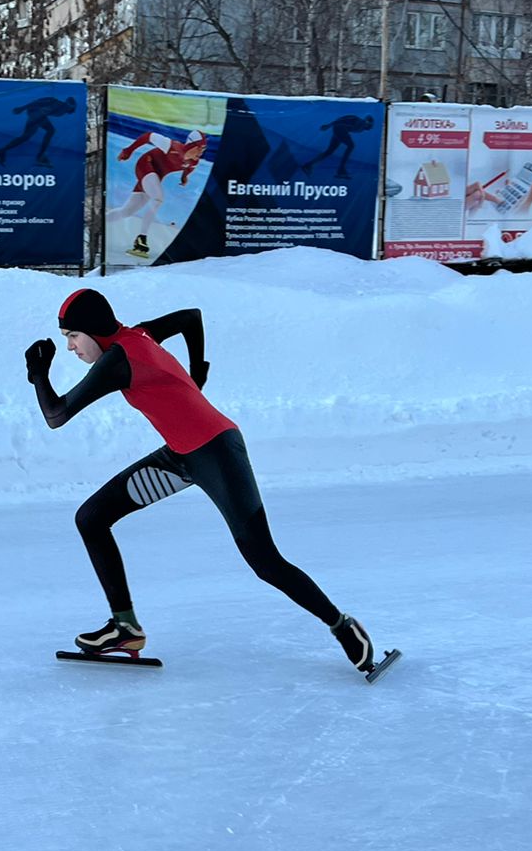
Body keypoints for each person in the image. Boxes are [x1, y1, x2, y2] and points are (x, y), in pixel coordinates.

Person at [24, 288, 380, 674]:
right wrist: (198, 371)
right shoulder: (140, 334)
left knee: (265, 561)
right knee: (91, 517)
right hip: (180, 457)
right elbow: (191, 317)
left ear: (94, 330)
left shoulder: (118, 359)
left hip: (217, 455)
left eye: (73, 336)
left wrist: (38, 374)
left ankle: (343, 626)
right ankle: (125, 627)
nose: (71, 347)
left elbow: (57, 415)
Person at [106, 128, 207, 260]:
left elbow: (188, 169)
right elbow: (148, 136)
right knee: (158, 198)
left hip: (156, 176)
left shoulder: (194, 162)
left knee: (127, 211)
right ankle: (141, 239)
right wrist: (128, 151)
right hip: (145, 164)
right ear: (191, 145)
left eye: (203, 149)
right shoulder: (172, 146)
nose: (201, 152)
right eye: (199, 148)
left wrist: (184, 177)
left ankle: (99, 223)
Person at [0, 95, 77, 167]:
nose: (66, 110)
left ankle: (1, 151)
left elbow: (45, 112)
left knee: (26, 136)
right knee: (50, 131)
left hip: (37, 115)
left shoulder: (61, 112)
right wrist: (22, 108)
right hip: (35, 112)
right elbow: (36, 102)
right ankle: (40, 156)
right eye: (67, 107)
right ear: (65, 104)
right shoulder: (54, 102)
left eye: (68, 109)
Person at [302, 114, 376, 179]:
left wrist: (334, 127)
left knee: (329, 151)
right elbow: (341, 119)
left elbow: (346, 126)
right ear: (366, 122)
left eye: (370, 125)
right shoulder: (356, 120)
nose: (369, 127)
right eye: (369, 124)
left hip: (340, 130)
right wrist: (328, 125)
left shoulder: (361, 128)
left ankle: (308, 165)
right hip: (339, 129)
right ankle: (341, 169)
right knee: (351, 146)